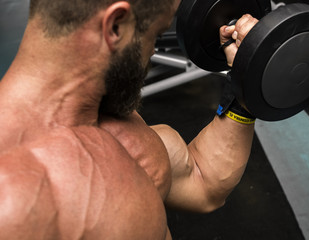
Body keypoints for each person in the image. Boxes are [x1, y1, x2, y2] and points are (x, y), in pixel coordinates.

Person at [0, 0, 258, 239]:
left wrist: (242, 85)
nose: (154, 50)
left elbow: (203, 181)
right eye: (154, 35)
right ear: (115, 26)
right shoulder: (11, 202)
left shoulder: (118, 125)